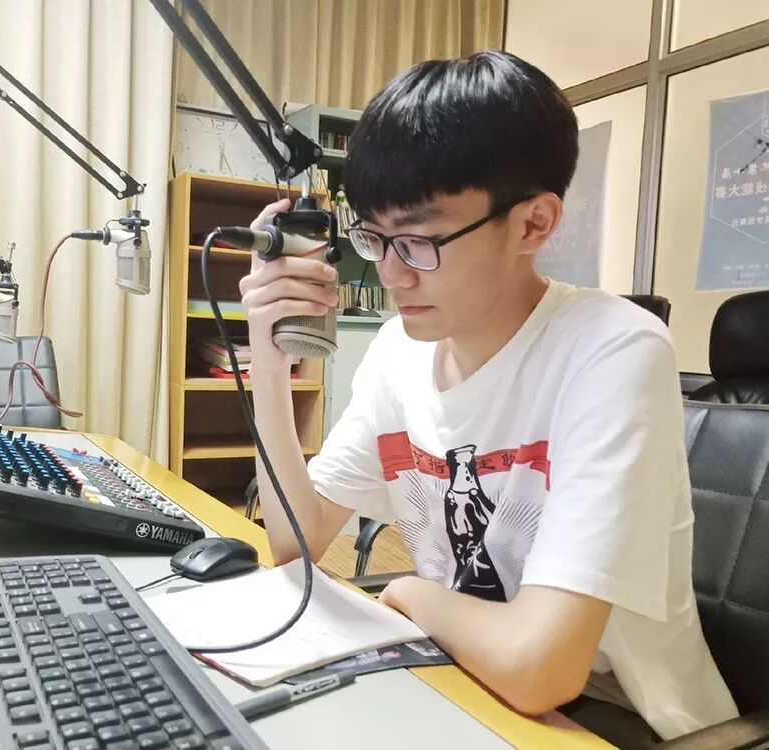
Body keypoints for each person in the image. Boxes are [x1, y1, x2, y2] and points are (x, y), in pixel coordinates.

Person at [239, 50, 738, 746]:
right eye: (375, 237)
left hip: (622, 721)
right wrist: (269, 358)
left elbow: (542, 670)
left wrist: (412, 593)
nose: (391, 275)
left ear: (533, 224)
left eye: (419, 239)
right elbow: (296, 540)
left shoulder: (615, 349)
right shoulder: (397, 350)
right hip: (466, 677)